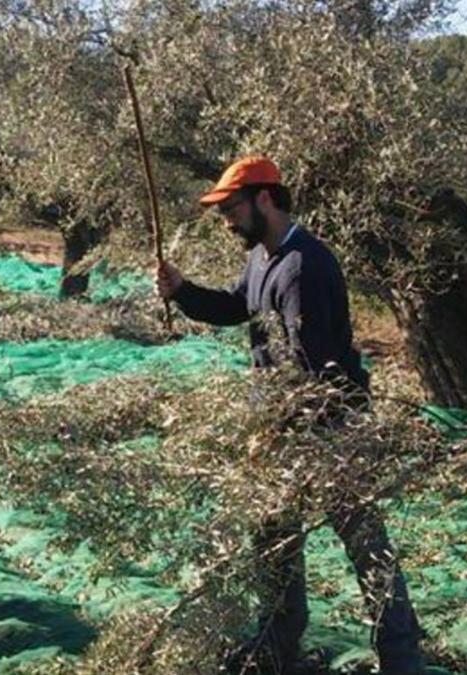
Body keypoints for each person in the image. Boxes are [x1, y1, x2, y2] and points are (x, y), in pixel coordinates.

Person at [155, 156, 424, 674]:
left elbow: (313, 370)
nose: (226, 221)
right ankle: (278, 648)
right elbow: (237, 307)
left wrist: (278, 427)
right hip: (279, 425)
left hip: (331, 429)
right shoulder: (263, 257)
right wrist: (183, 291)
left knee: (366, 548)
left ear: (263, 198)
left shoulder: (305, 266)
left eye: (230, 209)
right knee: (274, 542)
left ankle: (401, 660)